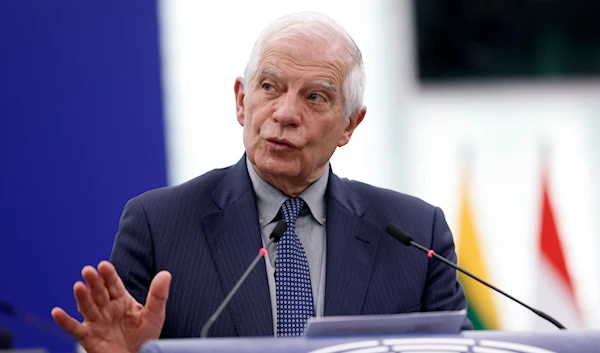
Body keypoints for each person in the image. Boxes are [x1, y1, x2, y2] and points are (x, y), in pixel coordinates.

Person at [51, 11, 471, 353]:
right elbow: (117, 341)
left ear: (350, 124)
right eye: (270, 87)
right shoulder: (157, 224)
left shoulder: (416, 235)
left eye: (315, 97)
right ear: (241, 100)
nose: (285, 113)